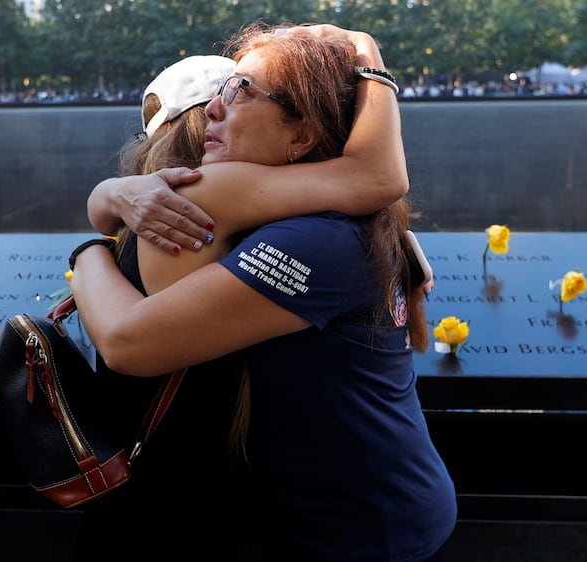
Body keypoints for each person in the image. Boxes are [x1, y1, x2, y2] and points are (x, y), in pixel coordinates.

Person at [72, 22, 456, 561]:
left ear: (302, 136)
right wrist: (114, 193)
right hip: (335, 512)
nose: (213, 109)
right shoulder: (320, 216)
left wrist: (86, 254)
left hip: (366, 531)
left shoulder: (315, 239)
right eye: (222, 89)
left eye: (241, 90)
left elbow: (127, 343)